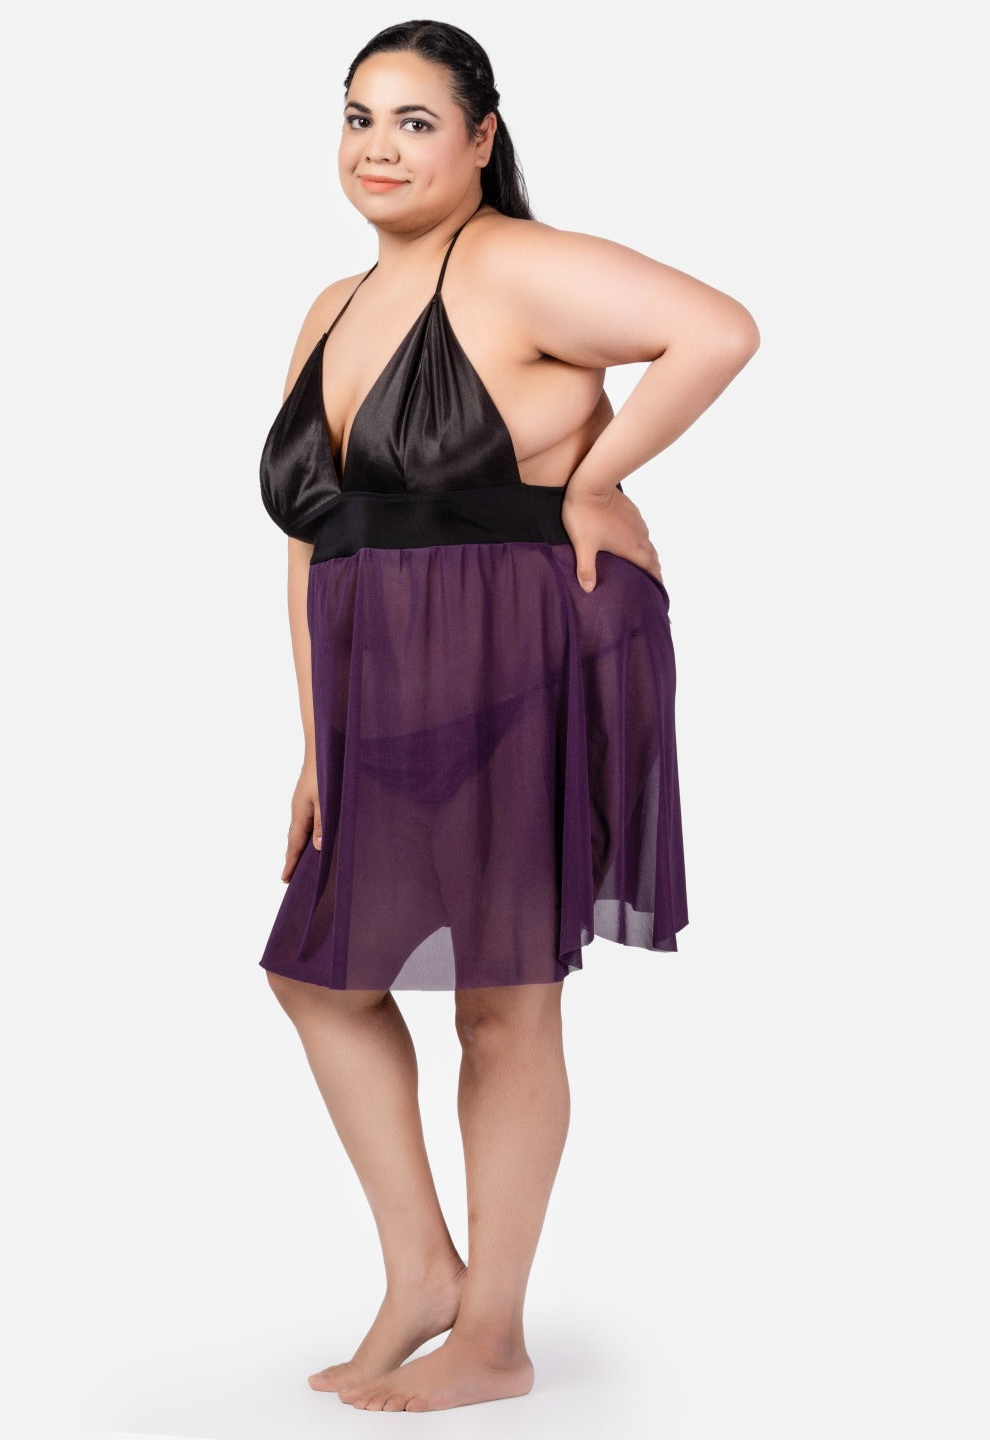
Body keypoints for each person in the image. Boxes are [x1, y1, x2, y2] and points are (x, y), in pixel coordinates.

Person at [256, 19, 759, 1414]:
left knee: (503, 999)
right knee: (317, 973)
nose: (377, 147)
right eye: (359, 117)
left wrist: (596, 480)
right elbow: (311, 540)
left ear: (482, 140)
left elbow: (717, 331)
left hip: (513, 651)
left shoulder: (514, 265)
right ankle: (426, 1273)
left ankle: (494, 1335)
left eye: (416, 121)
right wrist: (314, 741)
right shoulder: (330, 307)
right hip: (380, 680)